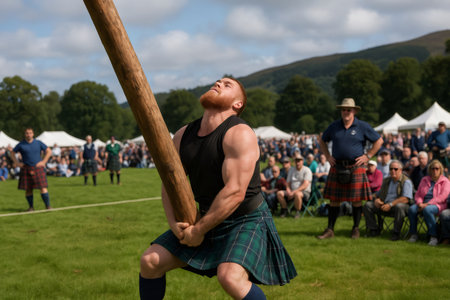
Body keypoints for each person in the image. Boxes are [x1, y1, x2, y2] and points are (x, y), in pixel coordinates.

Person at [139, 78, 296, 300]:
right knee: (150, 261)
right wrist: (174, 223)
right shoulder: (184, 134)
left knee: (230, 277)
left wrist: (198, 230)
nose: (219, 83)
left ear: (238, 104)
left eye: (228, 84)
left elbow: (235, 192)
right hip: (205, 216)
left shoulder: (239, 133)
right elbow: (170, 181)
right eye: (218, 81)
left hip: (244, 219)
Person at [317, 98, 383, 239]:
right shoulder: (334, 126)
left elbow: (379, 141)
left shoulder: (362, 126)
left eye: (348, 109)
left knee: (357, 200)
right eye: (343, 109)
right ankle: (330, 230)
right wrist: (328, 156)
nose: (346, 112)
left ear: (354, 111)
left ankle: (356, 229)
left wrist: (368, 155)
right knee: (334, 200)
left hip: (355, 167)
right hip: (337, 166)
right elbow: (322, 140)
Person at [363, 160, 413, 241]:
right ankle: (374, 230)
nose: (393, 171)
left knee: (399, 206)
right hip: (384, 205)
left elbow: (405, 198)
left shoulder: (406, 181)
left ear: (400, 170)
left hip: (399, 207)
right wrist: (376, 199)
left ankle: (396, 233)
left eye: (395, 169)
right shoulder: (387, 180)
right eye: (391, 169)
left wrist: (390, 205)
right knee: (368, 205)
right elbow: (377, 193)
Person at [408, 160, 450, 246]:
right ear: (429, 170)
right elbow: (418, 194)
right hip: (422, 203)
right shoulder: (424, 180)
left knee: (427, 210)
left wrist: (427, 204)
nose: (434, 170)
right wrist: (419, 203)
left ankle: (433, 236)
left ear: (440, 170)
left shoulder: (445, 181)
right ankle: (413, 234)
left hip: (438, 205)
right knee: (412, 209)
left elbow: (443, 197)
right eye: (432, 168)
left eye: (437, 169)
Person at [10, 128, 52, 211]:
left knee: (43, 187)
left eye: (30, 133)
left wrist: (43, 162)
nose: (28, 135)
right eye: (27, 133)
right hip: (26, 168)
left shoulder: (38, 143)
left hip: (38, 168)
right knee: (28, 189)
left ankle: (48, 206)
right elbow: (12, 153)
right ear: (25, 134)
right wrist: (17, 163)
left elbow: (49, 151)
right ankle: (31, 207)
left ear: (33, 134)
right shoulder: (21, 144)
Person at [276, 153, 312, 219]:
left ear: (302, 161)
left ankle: (297, 212)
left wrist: (294, 192)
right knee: (279, 193)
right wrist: (288, 190)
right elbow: (288, 183)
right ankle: (284, 209)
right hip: (292, 190)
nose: (297, 162)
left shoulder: (307, 170)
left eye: (299, 161)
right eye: (296, 161)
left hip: (304, 192)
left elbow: (305, 185)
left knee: (297, 194)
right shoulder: (291, 170)